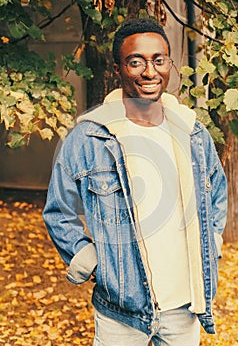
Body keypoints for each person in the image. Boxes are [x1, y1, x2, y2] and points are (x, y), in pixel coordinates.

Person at [43, 18, 227, 345]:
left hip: (185, 308)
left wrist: (210, 245)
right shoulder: (90, 138)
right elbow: (58, 213)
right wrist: (96, 263)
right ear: (118, 69)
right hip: (120, 312)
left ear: (170, 64)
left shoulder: (193, 134)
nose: (149, 71)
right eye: (135, 61)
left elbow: (217, 198)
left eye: (159, 60)